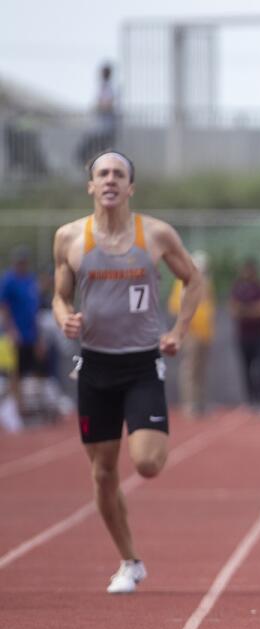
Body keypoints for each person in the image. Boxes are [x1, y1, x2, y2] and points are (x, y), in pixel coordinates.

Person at [51, 150, 204, 594]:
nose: (111, 180)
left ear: (131, 187)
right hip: (95, 366)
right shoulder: (69, 238)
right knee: (102, 472)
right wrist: (65, 317)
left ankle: (131, 556)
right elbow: (60, 295)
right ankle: (130, 561)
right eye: (103, 174)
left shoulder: (154, 234)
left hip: (141, 364)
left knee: (148, 463)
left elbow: (192, 279)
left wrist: (178, 329)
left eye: (119, 174)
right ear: (91, 186)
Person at [0, 247, 45, 418]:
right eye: (19, 262)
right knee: (15, 371)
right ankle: (18, 408)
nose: (22, 265)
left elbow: (35, 309)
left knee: (36, 369)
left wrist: (39, 336)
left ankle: (33, 405)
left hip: (31, 333)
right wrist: (11, 330)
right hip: (16, 334)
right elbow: (3, 307)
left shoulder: (30, 280)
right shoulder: (8, 281)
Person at [169, 251, 214, 416]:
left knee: (201, 369)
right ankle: (189, 404)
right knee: (189, 369)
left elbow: (208, 307)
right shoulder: (183, 282)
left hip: (205, 333)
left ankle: (200, 403)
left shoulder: (205, 283)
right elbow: (176, 307)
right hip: (191, 333)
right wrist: (185, 328)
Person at [230, 258, 260, 408]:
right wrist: (252, 310)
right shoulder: (238, 289)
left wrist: (246, 310)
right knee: (246, 368)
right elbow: (234, 310)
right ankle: (250, 400)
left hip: (259, 335)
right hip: (243, 336)